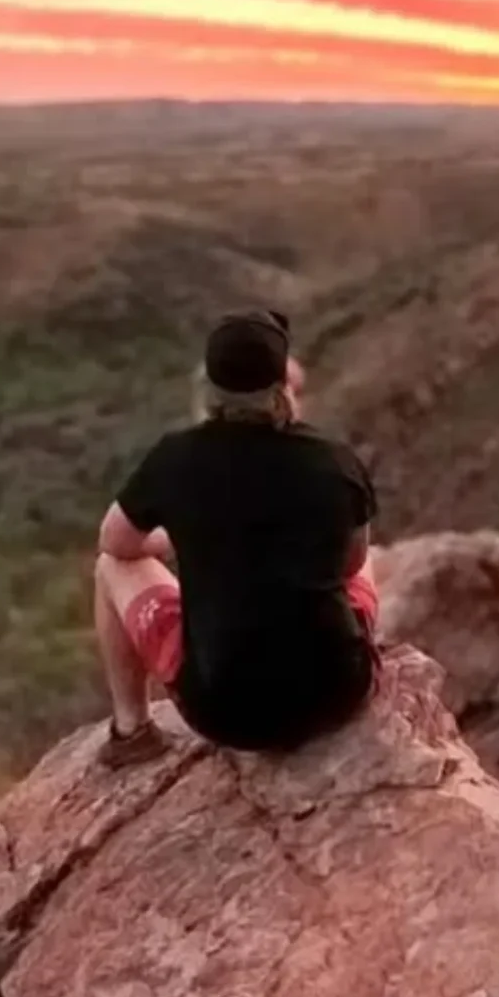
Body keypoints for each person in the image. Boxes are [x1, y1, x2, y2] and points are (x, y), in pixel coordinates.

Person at [90, 307, 382, 769]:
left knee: (110, 569)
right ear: (283, 387)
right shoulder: (333, 462)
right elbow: (349, 565)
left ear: (208, 389)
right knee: (365, 557)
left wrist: (176, 539)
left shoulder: (176, 459)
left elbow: (116, 544)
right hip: (338, 693)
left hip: (227, 713)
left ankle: (132, 732)